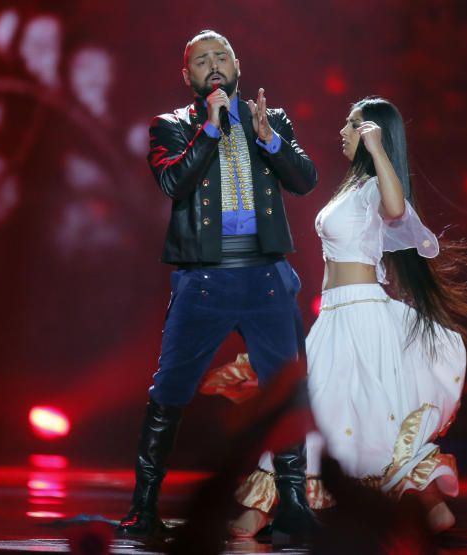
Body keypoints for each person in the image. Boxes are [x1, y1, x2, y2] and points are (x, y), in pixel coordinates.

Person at [231, 97, 467, 536]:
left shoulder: (373, 187)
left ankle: (260, 509)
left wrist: (379, 148)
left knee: (340, 411)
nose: (342, 132)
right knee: (332, 410)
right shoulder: (354, 187)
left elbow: (397, 209)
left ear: (371, 134)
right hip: (335, 315)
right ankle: (432, 507)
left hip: (362, 315)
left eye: (352, 125)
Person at [116, 30, 320, 538]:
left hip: (265, 278)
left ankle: (294, 504)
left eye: (221, 56)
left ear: (237, 66)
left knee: (285, 391)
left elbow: (304, 180)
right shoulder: (171, 126)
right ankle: (144, 507)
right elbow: (173, 183)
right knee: (170, 391)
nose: (213, 65)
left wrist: (270, 139)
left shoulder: (270, 119)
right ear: (187, 75)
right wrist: (209, 129)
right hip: (203, 280)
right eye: (201, 60)